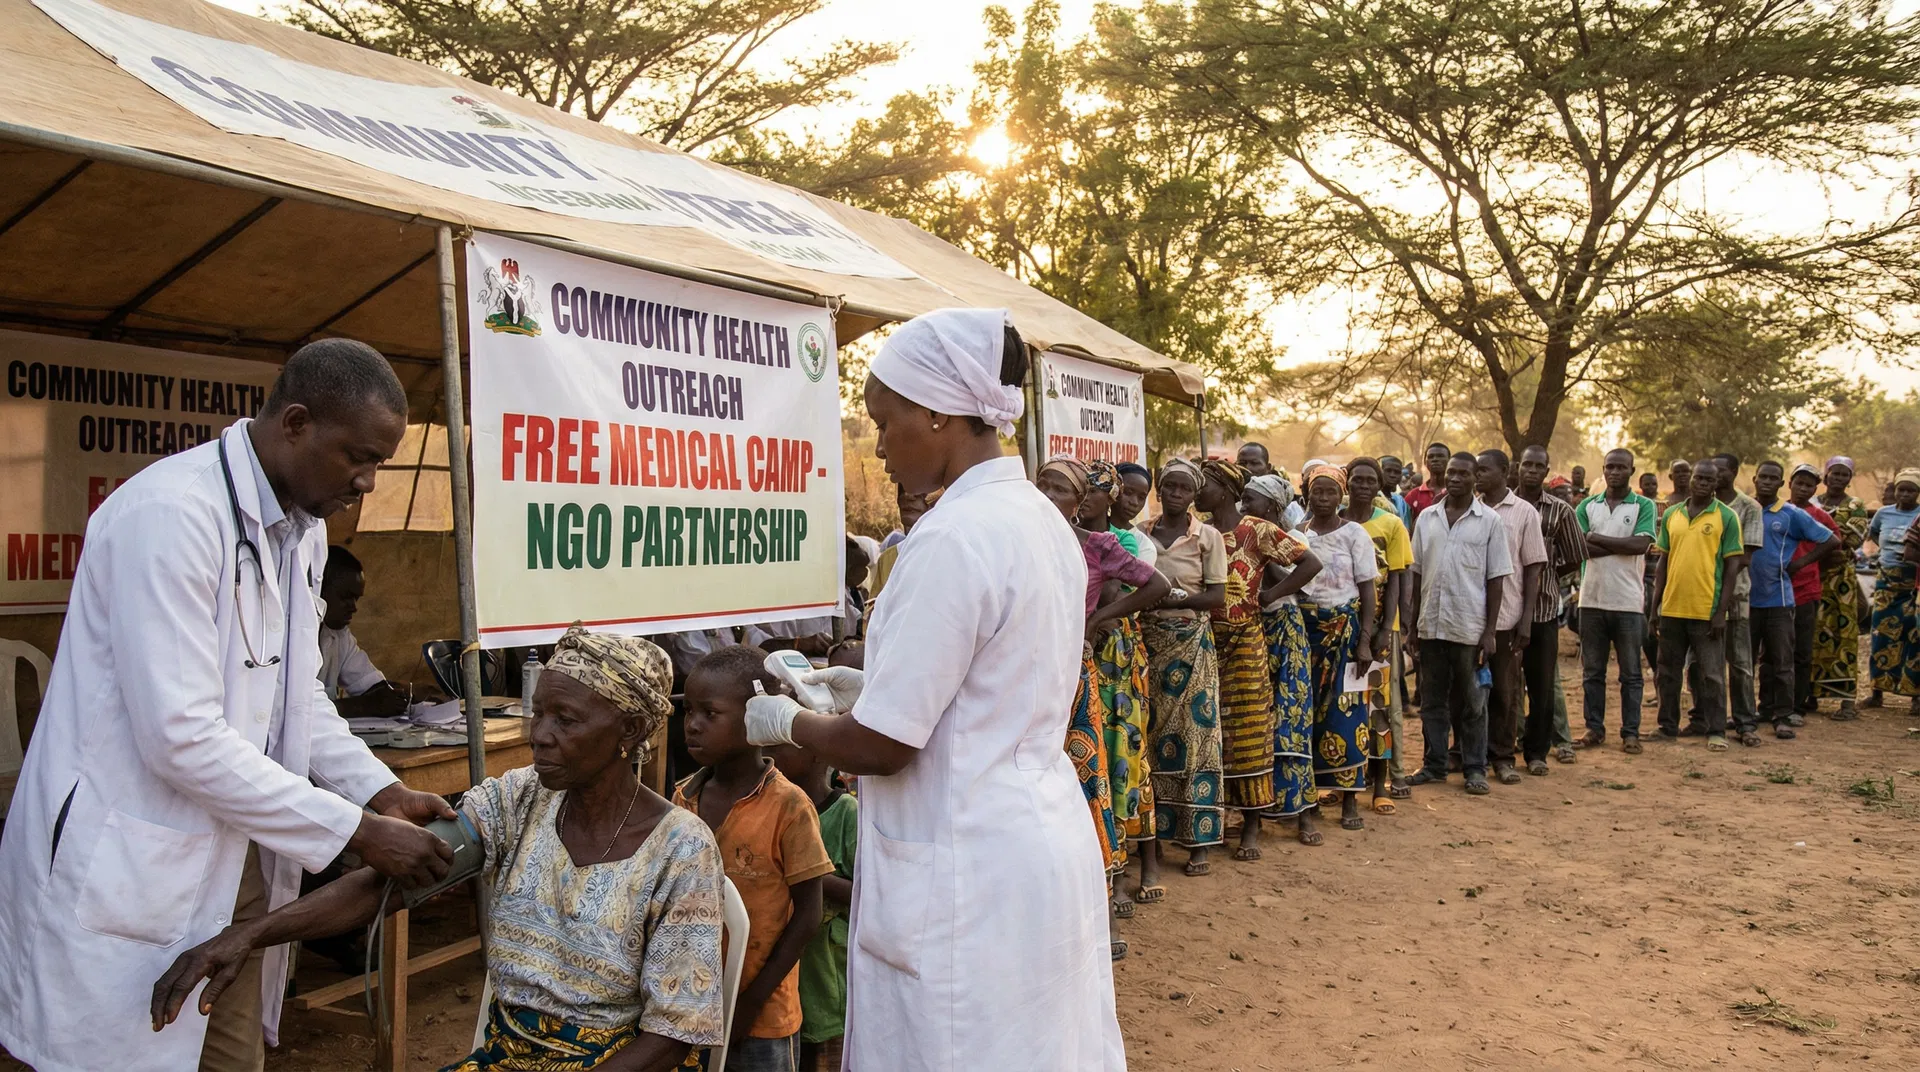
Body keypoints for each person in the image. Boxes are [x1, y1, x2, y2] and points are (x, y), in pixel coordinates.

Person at [0, 339, 458, 1072]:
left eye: (381, 464)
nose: (369, 483)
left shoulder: (303, 533)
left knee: (228, 1053)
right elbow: (179, 737)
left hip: (235, 864)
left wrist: (379, 788)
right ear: (297, 423)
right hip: (132, 864)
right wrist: (356, 831)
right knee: (114, 1054)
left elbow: (297, 689)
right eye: (358, 458)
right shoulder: (170, 515)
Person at [738, 308, 1125, 1070]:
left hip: (963, 862)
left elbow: (882, 746)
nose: (877, 447)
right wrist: (870, 685)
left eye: (885, 423)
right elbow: (989, 686)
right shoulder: (1036, 521)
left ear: (940, 413)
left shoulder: (950, 538)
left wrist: (787, 721)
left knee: (955, 1045)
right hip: (1034, 835)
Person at [153, 626, 727, 1072]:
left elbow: (671, 1038)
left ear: (628, 731)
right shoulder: (521, 798)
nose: (539, 734)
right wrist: (249, 934)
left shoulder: (680, 848)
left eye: (566, 720)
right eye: (540, 712)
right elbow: (393, 878)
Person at [676, 646, 833, 1070]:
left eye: (710, 713)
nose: (692, 724)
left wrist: (750, 1003)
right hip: (690, 1005)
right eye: (688, 711)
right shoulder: (682, 799)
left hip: (763, 1014)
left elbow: (807, 915)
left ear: (756, 717)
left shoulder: (789, 806)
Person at [1035, 457, 1170, 900]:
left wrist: (1097, 620)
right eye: (1044, 487)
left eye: (1061, 490)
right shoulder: (1022, 540)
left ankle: (1102, 891)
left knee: (1085, 776)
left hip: (1073, 677)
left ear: (1079, 502)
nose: (1051, 497)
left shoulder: (1097, 546)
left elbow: (1157, 585)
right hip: (1028, 676)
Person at [1194, 459, 1311, 859]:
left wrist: (1273, 594)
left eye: (1203, 484)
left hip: (1246, 640)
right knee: (1212, 729)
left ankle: (1252, 827)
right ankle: (1219, 816)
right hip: (1205, 641)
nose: (1196, 491)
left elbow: (1310, 561)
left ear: (1223, 490)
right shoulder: (1200, 533)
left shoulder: (1256, 530)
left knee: (1250, 729)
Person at [1076, 461, 1165, 908]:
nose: (1083, 498)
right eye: (1081, 490)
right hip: (1085, 654)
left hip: (1117, 655)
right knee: (1093, 760)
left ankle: (1138, 866)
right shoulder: (1063, 538)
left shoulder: (1122, 543)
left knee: (1126, 754)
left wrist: (1099, 618)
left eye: (1094, 492)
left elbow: (1130, 593)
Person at [1138, 457, 1230, 875]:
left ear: (1195, 496)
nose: (1175, 494)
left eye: (1184, 489)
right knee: (1153, 737)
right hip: (1151, 644)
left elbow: (1216, 597)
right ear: (1159, 488)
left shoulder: (1207, 537)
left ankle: (1200, 841)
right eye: (1169, 487)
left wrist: (1174, 599)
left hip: (1191, 642)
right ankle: (1156, 835)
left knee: (1197, 738)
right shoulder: (1142, 534)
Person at [1408, 453, 1512, 795]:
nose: (1454, 478)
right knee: (1432, 702)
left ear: (1474, 478)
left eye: (1463, 473)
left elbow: (1496, 579)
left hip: (1469, 627)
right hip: (1431, 626)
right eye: (1451, 472)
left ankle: (1475, 768)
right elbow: (1418, 573)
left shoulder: (1490, 521)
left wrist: (1489, 632)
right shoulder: (1426, 518)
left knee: (1473, 703)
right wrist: (1413, 627)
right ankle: (1434, 765)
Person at [1296, 462, 1380, 829]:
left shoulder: (1354, 534)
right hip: (1304, 633)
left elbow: (1368, 590)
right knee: (1306, 714)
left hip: (1345, 634)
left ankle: (1350, 801)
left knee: (1347, 714)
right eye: (1318, 491)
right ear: (1307, 495)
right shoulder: (1296, 533)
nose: (1325, 498)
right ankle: (1310, 798)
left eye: (1331, 492)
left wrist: (1365, 642)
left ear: (1341, 495)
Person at [1241, 474, 1324, 844]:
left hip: (1285, 631)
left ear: (1272, 507)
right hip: (1251, 630)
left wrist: (1264, 547)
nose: (1244, 509)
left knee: (1291, 721)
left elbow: (1303, 574)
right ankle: (1253, 819)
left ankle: (1303, 814)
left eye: (1251, 502)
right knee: (1255, 726)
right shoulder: (1240, 533)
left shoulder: (1297, 539)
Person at [769, 743, 857, 1072]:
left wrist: (810, 871)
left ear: (820, 754)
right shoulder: (774, 808)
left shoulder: (846, 812)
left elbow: (869, 892)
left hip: (828, 982)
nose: (769, 751)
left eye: (784, 745)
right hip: (784, 987)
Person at [1746, 462, 1840, 744]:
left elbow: (1831, 540)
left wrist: (1799, 563)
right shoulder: (1744, 511)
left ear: (1780, 483)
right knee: (1749, 661)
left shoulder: (1791, 514)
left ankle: (1783, 716)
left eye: (1773, 478)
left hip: (1780, 598)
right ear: (1754, 479)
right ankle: (1754, 712)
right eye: (1763, 476)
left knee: (1783, 660)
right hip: (1746, 599)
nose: (1766, 481)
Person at [1653, 459, 1743, 750]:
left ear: (1716, 484)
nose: (1703, 483)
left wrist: (1721, 612)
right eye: (1699, 478)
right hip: (1672, 608)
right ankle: (1667, 727)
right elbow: (1663, 562)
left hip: (1706, 611)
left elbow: (1732, 569)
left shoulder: (1727, 517)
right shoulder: (1672, 514)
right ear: (1690, 479)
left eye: (1709, 480)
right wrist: (1655, 606)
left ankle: (1716, 731)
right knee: (1667, 672)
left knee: (1712, 675)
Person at [1575, 448, 1658, 753]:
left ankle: (1630, 732)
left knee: (1631, 673)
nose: (1614, 472)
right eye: (1610, 467)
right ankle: (1594, 729)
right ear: (1604, 469)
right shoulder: (1587, 505)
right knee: (1593, 671)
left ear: (1631, 471)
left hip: (1627, 602)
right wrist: (1619, 545)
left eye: (1621, 467)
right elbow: (1579, 548)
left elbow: (1640, 545)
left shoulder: (1644, 506)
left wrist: (1596, 538)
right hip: (1591, 599)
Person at [1475, 449, 1547, 785]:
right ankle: (1466, 754)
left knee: (1504, 692)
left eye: (1484, 470)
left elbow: (1533, 569)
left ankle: (1503, 757)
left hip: (1506, 616)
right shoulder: (1467, 508)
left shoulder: (1524, 513)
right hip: (1467, 617)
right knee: (1466, 692)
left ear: (1505, 472)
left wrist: (1526, 618)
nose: (1477, 475)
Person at [1344, 458, 1412, 812]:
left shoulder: (1391, 524)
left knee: (1379, 707)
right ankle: (1342, 779)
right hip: (1339, 630)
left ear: (1378, 485)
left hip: (1381, 630)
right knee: (1342, 705)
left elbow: (1399, 578)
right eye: (1357, 479)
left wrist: (1387, 628)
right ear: (1347, 483)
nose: (1364, 485)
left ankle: (1381, 783)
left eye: (1371, 480)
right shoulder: (1334, 521)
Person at [1515, 446, 1588, 772]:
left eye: (1538, 466)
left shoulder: (1561, 511)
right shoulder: (1498, 505)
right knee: (1502, 685)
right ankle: (1503, 745)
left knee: (1541, 685)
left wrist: (1547, 577)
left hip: (1543, 610)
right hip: (1500, 611)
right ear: (1518, 467)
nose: (1531, 470)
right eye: (1527, 464)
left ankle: (1536, 753)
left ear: (1546, 471)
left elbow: (1574, 556)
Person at [1700, 452, 1762, 740]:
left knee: (1739, 663)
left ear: (1734, 473)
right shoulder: (1700, 507)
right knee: (1700, 663)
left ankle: (1745, 722)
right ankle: (1704, 718)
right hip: (1699, 596)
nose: (1716, 475)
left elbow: (1744, 557)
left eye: (1721, 470)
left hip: (1734, 594)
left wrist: (1711, 579)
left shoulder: (1748, 507)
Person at [317, 544, 411, 718]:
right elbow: (295, 709)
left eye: (356, 599)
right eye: (345, 597)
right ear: (319, 590)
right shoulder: (287, 638)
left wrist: (393, 694)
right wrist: (361, 706)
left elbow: (368, 682)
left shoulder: (339, 636)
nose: (353, 607)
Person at [1812, 457, 1870, 719]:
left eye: (1844, 475)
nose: (1838, 478)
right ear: (1825, 476)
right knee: (1810, 634)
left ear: (1850, 478)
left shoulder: (1856, 505)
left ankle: (1847, 701)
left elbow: (1853, 538)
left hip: (1842, 581)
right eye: (1834, 473)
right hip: (1813, 575)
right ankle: (1808, 695)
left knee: (1843, 635)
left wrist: (1819, 534)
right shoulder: (1813, 502)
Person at [1866, 470, 1920, 713]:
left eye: (1912, 490)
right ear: (1895, 490)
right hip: (1887, 580)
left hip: (1915, 582)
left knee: (1914, 637)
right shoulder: (1883, 513)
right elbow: (1875, 534)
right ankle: (1877, 692)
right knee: (1881, 635)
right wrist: (1889, 554)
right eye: (1902, 489)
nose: (1906, 494)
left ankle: (1915, 697)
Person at [870, 485, 937, 597]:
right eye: (903, 489)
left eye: (920, 489)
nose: (907, 495)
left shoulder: (954, 552)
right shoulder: (888, 559)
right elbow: (874, 612)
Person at [1404, 441, 1450, 519]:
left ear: (1449, 461)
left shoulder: (1455, 492)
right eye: (1431, 456)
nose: (1435, 459)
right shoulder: (1413, 495)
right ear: (1425, 462)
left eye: (1440, 456)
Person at [1380, 454, 1415, 528]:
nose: (1392, 475)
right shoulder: (1371, 498)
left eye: (1397, 472)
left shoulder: (1401, 502)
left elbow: (1406, 529)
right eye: (1388, 471)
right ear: (1379, 472)